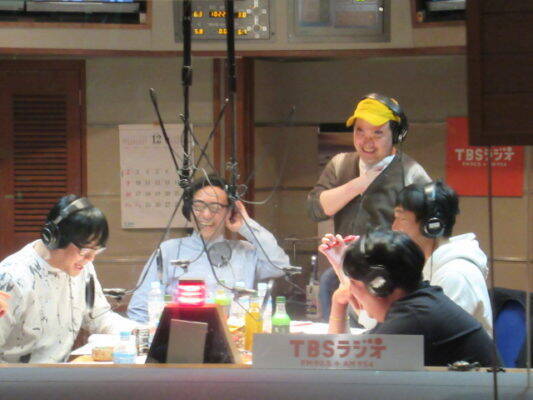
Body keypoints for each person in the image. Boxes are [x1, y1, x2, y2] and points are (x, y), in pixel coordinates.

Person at [306, 93, 431, 319]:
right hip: (344, 274)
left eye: (377, 133)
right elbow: (315, 209)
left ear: (396, 135)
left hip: (388, 281)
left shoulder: (411, 173)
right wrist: (360, 184)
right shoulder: (340, 164)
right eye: (360, 131)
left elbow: (426, 235)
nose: (366, 141)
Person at [127, 174, 289, 323]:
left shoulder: (245, 251)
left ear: (229, 212)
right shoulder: (169, 250)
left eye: (215, 208)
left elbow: (280, 266)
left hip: (236, 336)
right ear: (189, 210)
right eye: (198, 207)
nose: (206, 215)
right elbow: (139, 309)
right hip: (182, 337)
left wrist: (246, 226)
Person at [320, 229, 497, 367]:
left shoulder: (412, 320)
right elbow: (344, 363)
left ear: (378, 284)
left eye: (353, 283)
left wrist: (338, 306)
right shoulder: (419, 303)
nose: (350, 291)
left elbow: (341, 371)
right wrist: (338, 303)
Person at [0, 195, 135, 363]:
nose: (91, 258)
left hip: (59, 374)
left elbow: (98, 317)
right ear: (55, 238)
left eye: (97, 250)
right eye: (86, 251)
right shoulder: (11, 277)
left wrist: (142, 331)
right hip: (17, 377)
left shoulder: (83, 267)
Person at [392, 180, 493, 334]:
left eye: (402, 219)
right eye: (395, 218)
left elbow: (434, 337)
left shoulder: (456, 275)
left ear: (432, 225)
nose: (394, 227)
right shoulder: (423, 264)